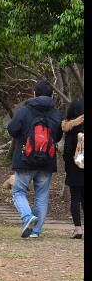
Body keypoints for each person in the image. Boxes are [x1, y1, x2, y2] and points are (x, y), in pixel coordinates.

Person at [7, 79, 63, 239]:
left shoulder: (25, 110)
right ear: (52, 95)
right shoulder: (56, 113)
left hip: (26, 159)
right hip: (47, 161)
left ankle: (27, 217)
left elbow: (12, 129)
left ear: (34, 93)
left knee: (18, 191)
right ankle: (36, 231)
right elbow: (58, 137)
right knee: (42, 196)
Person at [61, 97, 84, 239]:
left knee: (75, 198)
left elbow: (68, 149)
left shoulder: (70, 128)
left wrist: (69, 162)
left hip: (75, 167)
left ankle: (78, 229)